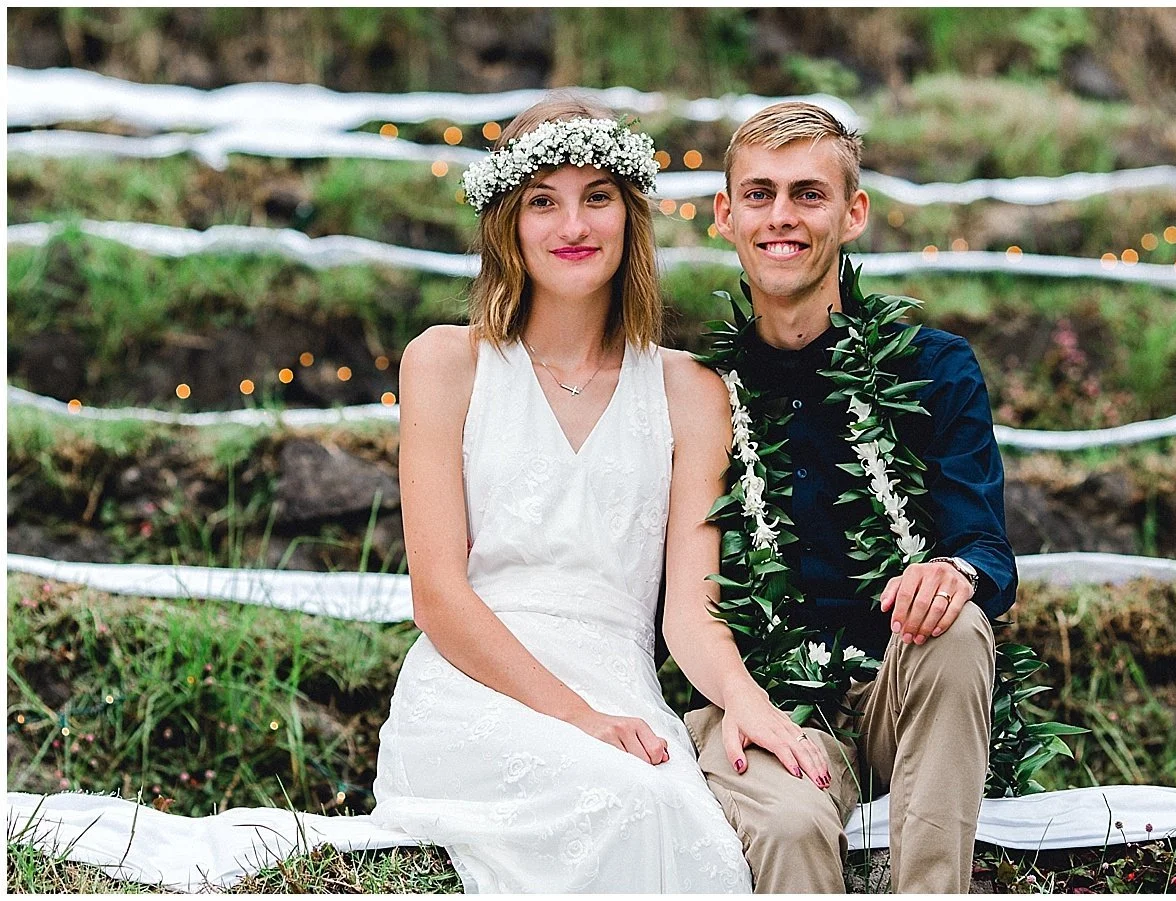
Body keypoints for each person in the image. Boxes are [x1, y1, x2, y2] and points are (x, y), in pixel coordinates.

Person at [368, 95, 756, 893]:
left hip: (623, 687)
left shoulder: (691, 390)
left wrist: (747, 700)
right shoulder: (445, 363)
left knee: (671, 814)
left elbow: (690, 611)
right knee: (622, 803)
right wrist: (576, 716)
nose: (573, 225)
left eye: (597, 197)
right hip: (473, 688)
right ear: (508, 221)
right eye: (543, 201)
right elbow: (437, 594)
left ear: (629, 214)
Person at [677, 102, 1019, 893]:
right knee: (790, 826)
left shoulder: (934, 367)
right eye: (759, 194)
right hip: (769, 701)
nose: (781, 216)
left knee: (958, 621)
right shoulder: (701, 390)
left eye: (808, 193)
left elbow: (988, 551)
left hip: (904, 691)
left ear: (853, 212)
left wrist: (953, 573)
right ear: (725, 216)